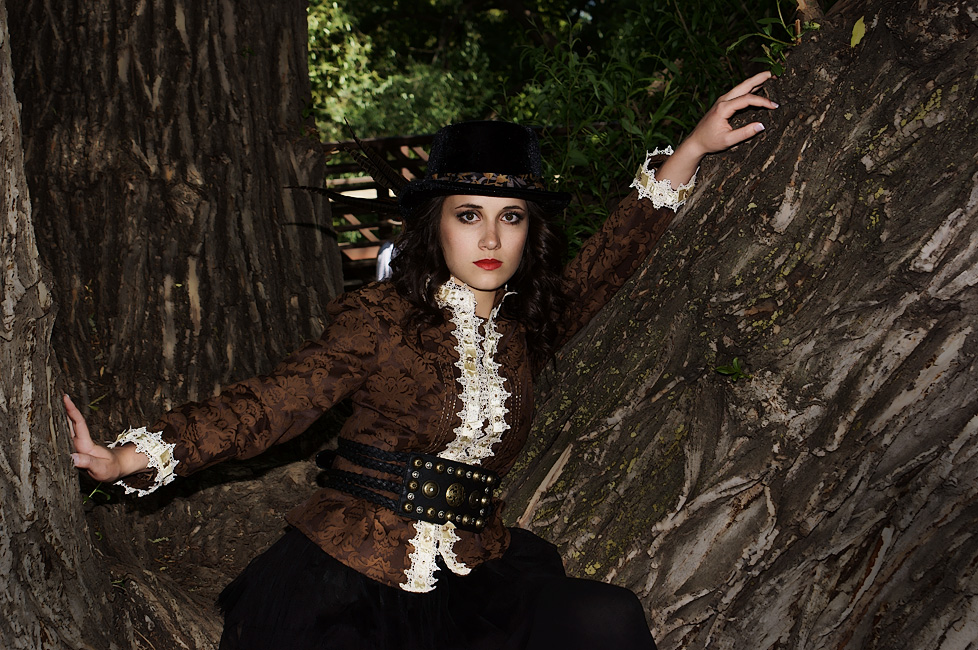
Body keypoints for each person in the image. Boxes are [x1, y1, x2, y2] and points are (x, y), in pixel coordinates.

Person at [65, 72, 777, 649]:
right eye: (469, 215)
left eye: (510, 216)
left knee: (606, 618)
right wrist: (131, 457)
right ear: (436, 226)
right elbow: (276, 402)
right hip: (351, 575)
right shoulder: (383, 318)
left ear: (529, 232)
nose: (490, 238)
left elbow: (604, 267)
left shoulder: (524, 325)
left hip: (472, 572)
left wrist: (692, 148)